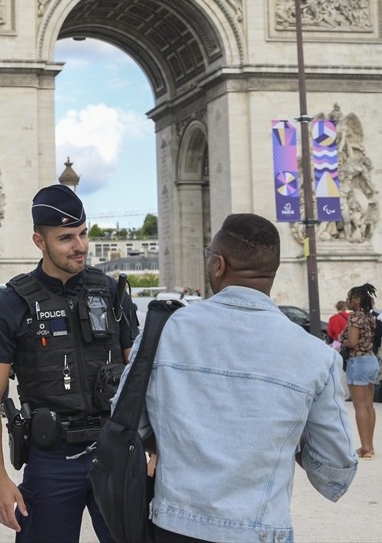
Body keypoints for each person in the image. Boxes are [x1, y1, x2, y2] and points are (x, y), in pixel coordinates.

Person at [123, 213, 356, 542]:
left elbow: (126, 422)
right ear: (272, 273)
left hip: (175, 525)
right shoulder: (317, 356)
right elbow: (336, 468)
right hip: (260, 530)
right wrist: (277, 442)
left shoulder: (163, 332)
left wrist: (179, 443)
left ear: (218, 264)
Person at [0, 184, 138, 543]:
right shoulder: (12, 305)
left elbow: (138, 376)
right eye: (66, 238)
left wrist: (151, 445)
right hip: (51, 460)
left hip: (113, 452)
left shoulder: (112, 294)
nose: (80, 246)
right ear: (40, 241)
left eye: (83, 233)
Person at [340, 283, 379, 458]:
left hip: (358, 361)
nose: (347, 301)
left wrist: (343, 340)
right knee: (369, 406)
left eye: (349, 298)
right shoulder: (370, 317)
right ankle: (370, 446)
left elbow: (353, 342)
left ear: (357, 299)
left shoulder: (355, 317)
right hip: (371, 360)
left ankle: (365, 448)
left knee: (360, 407)